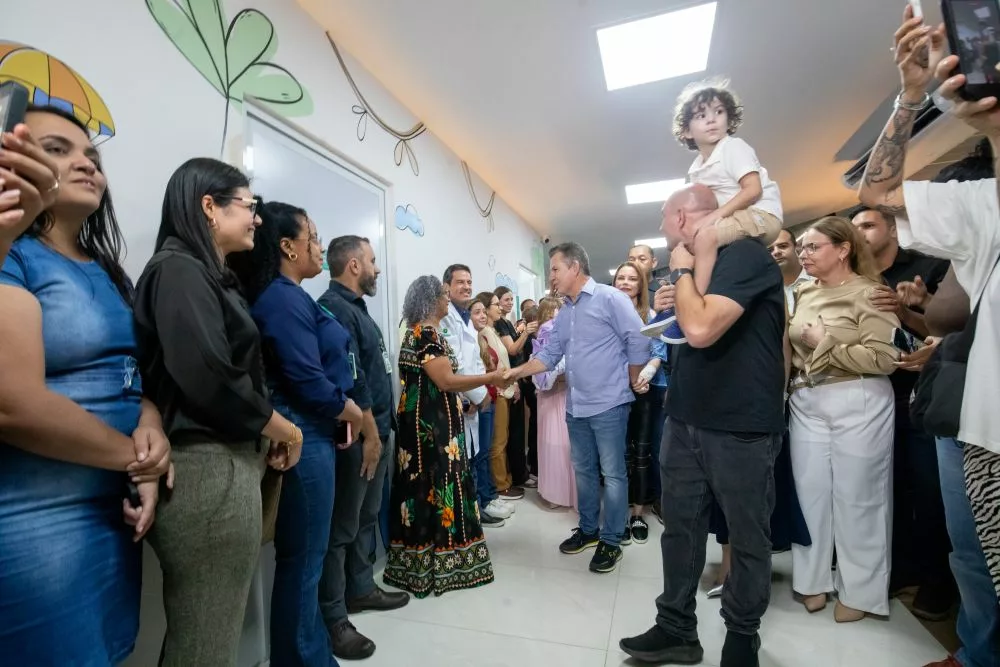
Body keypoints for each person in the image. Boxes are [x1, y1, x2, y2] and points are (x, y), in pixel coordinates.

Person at [0, 106, 171, 665]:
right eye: (58, 149)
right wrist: (136, 460)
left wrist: (150, 427)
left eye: (92, 157)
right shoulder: (13, 258)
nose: (85, 164)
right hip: (39, 521)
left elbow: (129, 377)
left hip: (110, 514)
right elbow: (14, 405)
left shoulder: (108, 270)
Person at [859, 3, 1000, 650]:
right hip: (983, 439)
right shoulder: (977, 204)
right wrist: (912, 93)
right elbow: (876, 193)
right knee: (977, 563)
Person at [133, 158, 302, 667]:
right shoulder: (179, 270)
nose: (257, 219)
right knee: (205, 643)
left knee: (205, 633)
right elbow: (209, 379)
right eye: (248, 206)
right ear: (209, 206)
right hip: (208, 470)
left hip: (223, 465)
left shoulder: (207, 274)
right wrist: (285, 429)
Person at [620, 183, 785, 667]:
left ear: (689, 216)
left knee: (747, 534)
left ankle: (741, 636)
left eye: (666, 218)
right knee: (681, 530)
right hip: (686, 414)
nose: (662, 229)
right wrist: (678, 294)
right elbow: (685, 330)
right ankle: (676, 627)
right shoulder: (702, 266)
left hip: (740, 424)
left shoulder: (747, 257)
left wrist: (686, 270)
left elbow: (702, 328)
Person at [231, 202, 366, 665]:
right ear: (287, 246)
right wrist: (349, 409)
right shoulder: (280, 298)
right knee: (305, 561)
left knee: (306, 557)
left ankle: (306, 654)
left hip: (317, 432)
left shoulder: (294, 295)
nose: (319, 245)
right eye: (312, 235)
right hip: (304, 434)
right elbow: (307, 379)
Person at [506, 243, 649, 574]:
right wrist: (516, 371)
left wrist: (631, 376)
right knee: (583, 471)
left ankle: (612, 541)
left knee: (612, 475)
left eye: (555, 268)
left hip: (610, 404)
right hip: (577, 406)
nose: (551, 276)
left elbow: (638, 338)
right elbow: (549, 355)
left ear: (574, 268)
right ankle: (588, 529)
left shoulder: (611, 298)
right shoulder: (566, 311)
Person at [788, 217, 899, 623]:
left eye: (813, 246)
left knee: (859, 498)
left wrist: (827, 343)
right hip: (806, 397)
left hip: (859, 395)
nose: (804, 253)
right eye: (802, 246)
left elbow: (886, 360)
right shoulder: (802, 292)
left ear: (843, 249)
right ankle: (813, 581)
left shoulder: (871, 293)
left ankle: (863, 593)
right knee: (810, 494)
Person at [850, 203, 955, 617]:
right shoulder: (855, 280)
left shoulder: (928, 268)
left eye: (869, 224)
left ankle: (937, 581)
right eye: (855, 227)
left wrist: (909, 310)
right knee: (883, 488)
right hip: (874, 396)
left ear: (893, 230)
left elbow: (950, 333)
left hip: (924, 397)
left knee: (930, 491)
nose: (861, 232)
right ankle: (896, 569)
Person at [316, 235, 410, 658]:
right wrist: (371, 434)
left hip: (379, 432)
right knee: (343, 527)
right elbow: (351, 382)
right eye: (372, 261)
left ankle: (361, 587)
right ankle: (334, 616)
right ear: (354, 265)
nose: (377, 268)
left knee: (367, 516)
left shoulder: (358, 309)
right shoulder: (335, 309)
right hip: (359, 436)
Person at [385, 275, 504, 598]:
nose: (447, 298)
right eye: (442, 294)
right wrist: (491, 377)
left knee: (430, 484)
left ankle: (429, 561)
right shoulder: (425, 334)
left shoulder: (424, 333)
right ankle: (444, 561)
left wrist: (462, 399)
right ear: (429, 299)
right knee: (437, 484)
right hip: (430, 429)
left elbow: (438, 383)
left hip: (428, 422)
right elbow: (447, 381)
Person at [644, 78, 783, 343]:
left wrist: (712, 218)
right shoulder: (697, 167)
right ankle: (680, 304)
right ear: (686, 131)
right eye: (701, 115)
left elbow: (752, 190)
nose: (712, 120)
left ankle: (695, 307)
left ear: (729, 118)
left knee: (705, 237)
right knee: (697, 244)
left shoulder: (733, 147)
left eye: (719, 112)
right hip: (740, 217)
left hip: (762, 215)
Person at [612, 261, 667, 545]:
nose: (625, 282)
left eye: (631, 278)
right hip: (613, 393)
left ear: (640, 285)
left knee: (642, 454)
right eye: (620, 277)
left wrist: (644, 375)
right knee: (617, 456)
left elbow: (659, 351)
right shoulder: (606, 314)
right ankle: (619, 515)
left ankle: (638, 514)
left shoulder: (652, 315)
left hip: (646, 390)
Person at [477, 290, 525, 501]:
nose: (500, 308)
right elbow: (493, 365)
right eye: (496, 304)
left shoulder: (492, 331)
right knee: (497, 442)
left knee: (502, 440)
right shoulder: (485, 333)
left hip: (504, 389)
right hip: (497, 391)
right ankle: (500, 485)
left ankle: (503, 481)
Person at [469, 294, 512, 525]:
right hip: (479, 401)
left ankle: (489, 496)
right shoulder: (471, 339)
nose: (483, 315)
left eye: (483, 311)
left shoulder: (484, 337)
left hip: (490, 398)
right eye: (477, 312)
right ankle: (483, 500)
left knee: (485, 452)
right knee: (481, 454)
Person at [531, 296, 576, 510]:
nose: (558, 313)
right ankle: (556, 492)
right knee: (553, 442)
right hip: (551, 394)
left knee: (563, 443)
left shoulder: (559, 331)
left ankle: (564, 492)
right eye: (555, 310)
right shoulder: (545, 332)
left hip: (564, 393)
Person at [495, 285, 533, 488]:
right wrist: (526, 333)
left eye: (511, 299)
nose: (509, 303)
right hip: (509, 382)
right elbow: (512, 350)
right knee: (511, 434)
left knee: (517, 431)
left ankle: (520, 474)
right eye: (505, 300)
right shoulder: (500, 325)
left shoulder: (507, 323)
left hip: (516, 379)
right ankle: (516, 477)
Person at [769, 228, 810, 316]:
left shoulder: (818, 279)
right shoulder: (768, 292)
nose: (776, 252)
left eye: (783, 246)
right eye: (770, 250)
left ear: (796, 247)